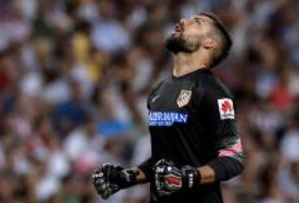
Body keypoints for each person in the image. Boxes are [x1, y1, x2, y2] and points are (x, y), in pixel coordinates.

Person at [92, 12, 244, 203]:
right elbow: (164, 158)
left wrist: (187, 177)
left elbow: (233, 158)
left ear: (209, 43)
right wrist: (126, 177)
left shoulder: (214, 93)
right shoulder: (159, 92)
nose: (182, 21)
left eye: (196, 23)